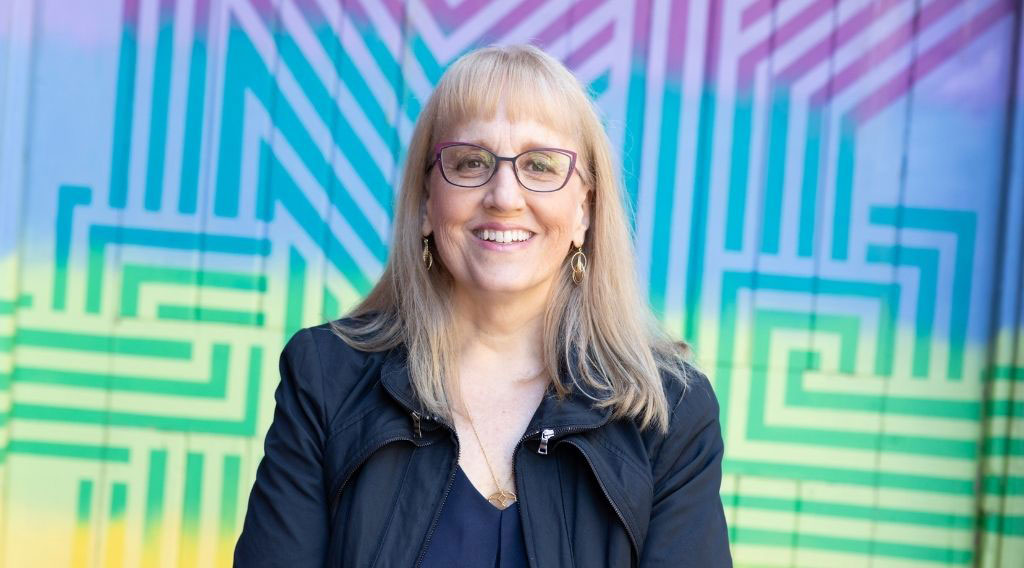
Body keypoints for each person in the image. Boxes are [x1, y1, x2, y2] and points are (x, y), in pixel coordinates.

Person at [233, 43, 730, 567]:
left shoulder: (670, 412)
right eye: (471, 162)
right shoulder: (326, 376)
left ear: (585, 210)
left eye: (540, 166)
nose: (504, 196)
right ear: (427, 202)